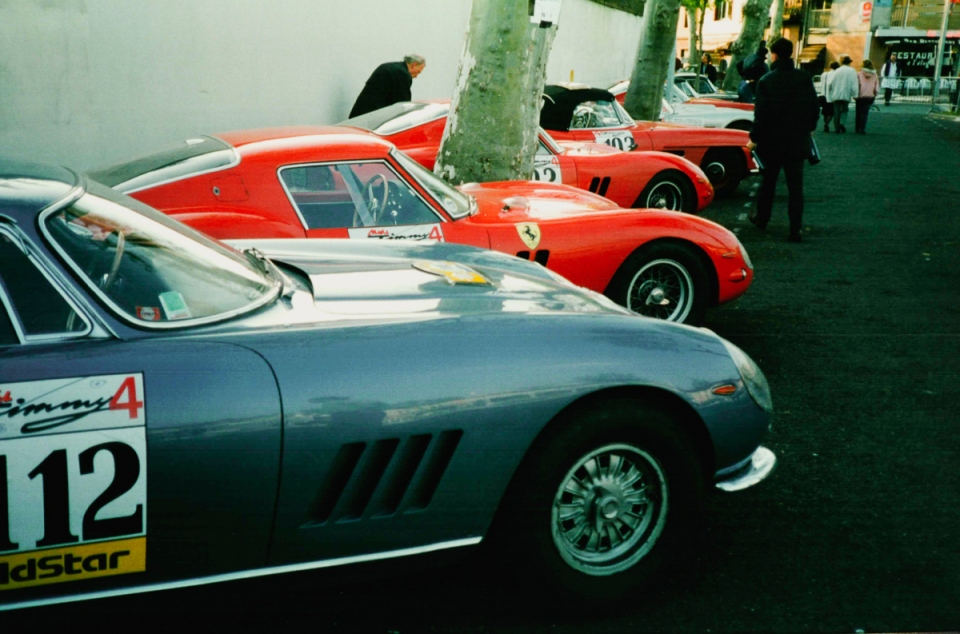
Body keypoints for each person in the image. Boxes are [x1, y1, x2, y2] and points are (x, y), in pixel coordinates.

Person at [746, 37, 819, 243]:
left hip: (772, 142)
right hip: (797, 141)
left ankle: (762, 219)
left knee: (768, 183)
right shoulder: (804, 78)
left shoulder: (767, 80)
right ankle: (795, 229)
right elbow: (814, 108)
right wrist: (809, 128)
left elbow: (761, 115)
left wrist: (754, 138)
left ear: (775, 55)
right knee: (795, 187)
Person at [348, 54, 426, 118]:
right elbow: (402, 104)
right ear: (414, 65)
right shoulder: (402, 74)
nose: (416, 76)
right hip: (371, 119)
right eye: (418, 72)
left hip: (360, 114)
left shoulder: (388, 66)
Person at [825, 55, 858, 133]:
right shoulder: (852, 71)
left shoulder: (837, 70)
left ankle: (836, 127)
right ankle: (842, 123)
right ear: (849, 62)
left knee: (836, 111)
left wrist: (830, 93)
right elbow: (854, 84)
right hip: (846, 93)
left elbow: (830, 83)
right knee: (845, 110)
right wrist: (855, 94)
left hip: (836, 93)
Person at [855, 59, 879, 134]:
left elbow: (856, 85)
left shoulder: (859, 74)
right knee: (865, 113)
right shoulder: (874, 74)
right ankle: (863, 128)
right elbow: (876, 85)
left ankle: (857, 127)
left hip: (860, 95)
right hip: (869, 95)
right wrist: (875, 93)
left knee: (858, 112)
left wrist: (855, 94)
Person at [819, 61, 840, 132]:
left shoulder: (825, 74)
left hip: (824, 95)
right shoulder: (837, 74)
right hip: (832, 96)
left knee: (825, 111)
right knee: (832, 112)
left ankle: (825, 122)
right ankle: (827, 123)